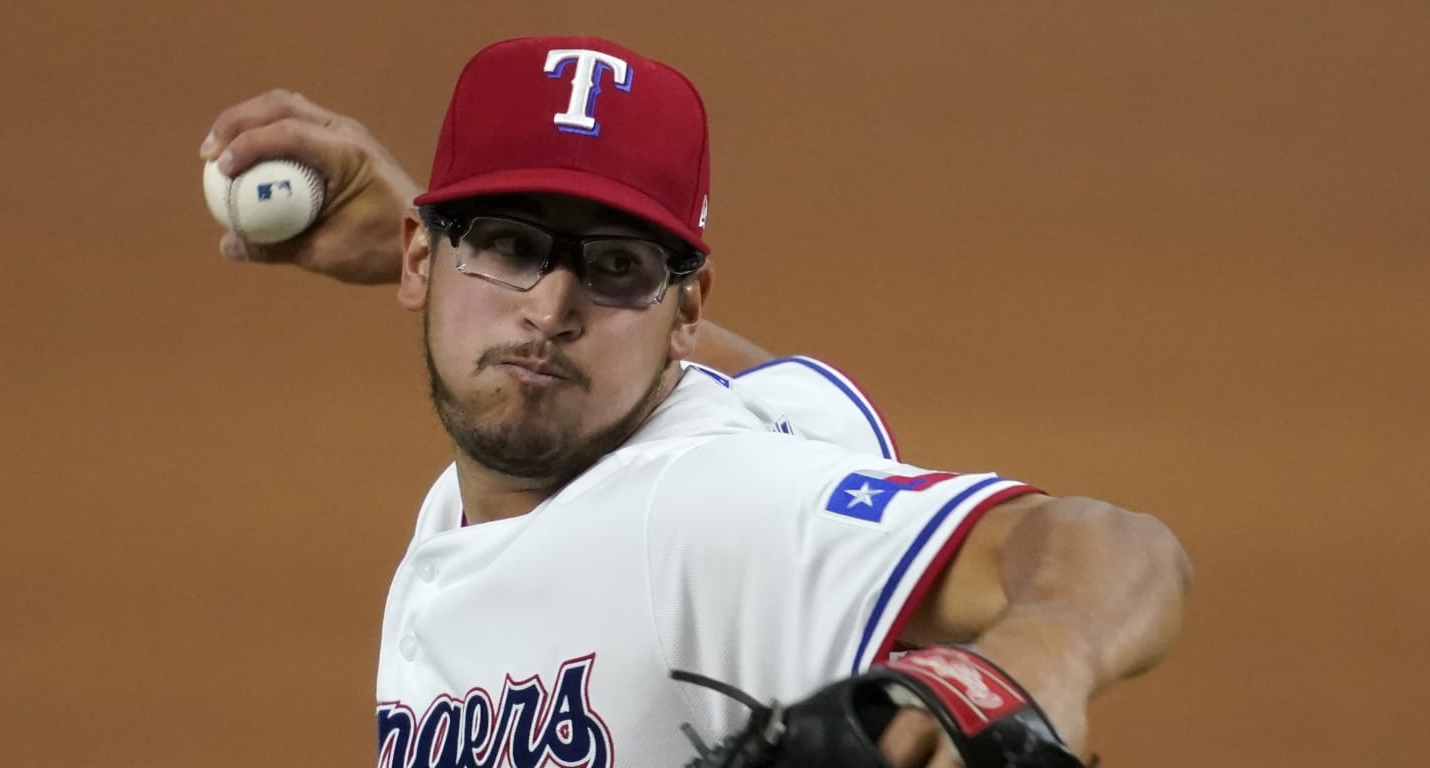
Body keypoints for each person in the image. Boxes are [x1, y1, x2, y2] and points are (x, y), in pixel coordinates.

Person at [200, 36, 1191, 768]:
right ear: (422, 256)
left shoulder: (703, 511)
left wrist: (1026, 664)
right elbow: (765, 395)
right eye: (505, 245)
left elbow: (1113, 542)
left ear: (685, 312)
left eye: (617, 268)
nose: (547, 310)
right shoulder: (700, 423)